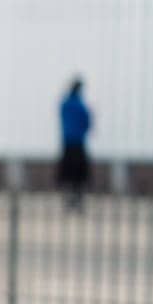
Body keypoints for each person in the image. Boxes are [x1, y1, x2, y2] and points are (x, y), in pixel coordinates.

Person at [58, 76, 93, 211]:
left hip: (66, 142)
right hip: (78, 142)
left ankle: (67, 200)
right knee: (79, 174)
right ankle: (78, 201)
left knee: (67, 174)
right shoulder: (80, 104)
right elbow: (87, 122)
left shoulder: (64, 103)